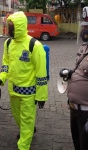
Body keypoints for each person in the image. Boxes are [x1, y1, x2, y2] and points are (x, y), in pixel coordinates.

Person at [0, 11, 48, 150]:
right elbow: (6, 64)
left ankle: (23, 145)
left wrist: (41, 96)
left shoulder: (35, 46)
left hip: (29, 92)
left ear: (20, 26)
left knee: (27, 119)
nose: (8, 29)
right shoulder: (8, 43)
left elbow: (41, 73)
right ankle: (28, 131)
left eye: (11, 26)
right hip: (13, 90)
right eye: (8, 26)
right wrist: (1, 78)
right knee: (18, 117)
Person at [59, 21, 88, 150]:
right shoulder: (84, 47)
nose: (84, 30)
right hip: (74, 109)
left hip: (86, 112)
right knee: (77, 144)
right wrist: (71, 73)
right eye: (83, 26)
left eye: (87, 27)